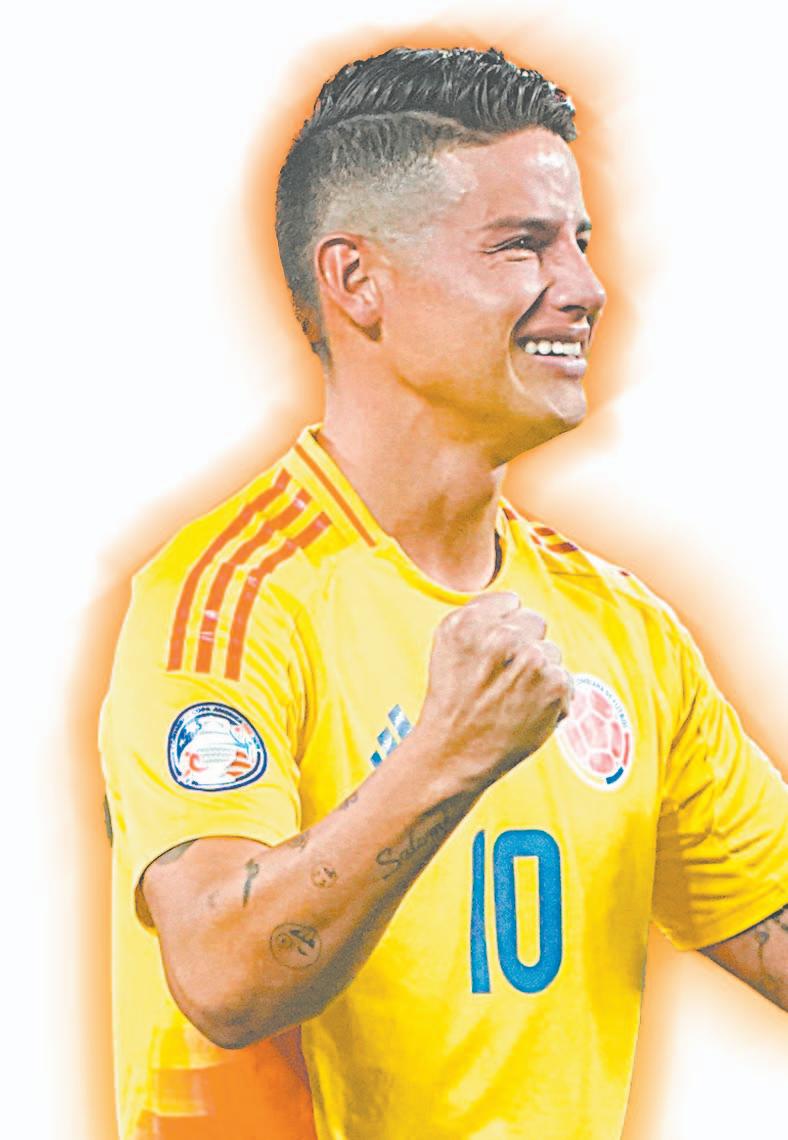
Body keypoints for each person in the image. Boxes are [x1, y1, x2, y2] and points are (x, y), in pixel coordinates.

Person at [100, 45, 788, 1140]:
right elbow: (223, 976)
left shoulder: (623, 630)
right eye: (521, 244)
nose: (584, 287)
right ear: (356, 282)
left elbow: (767, 924)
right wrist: (450, 751)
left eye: (578, 242)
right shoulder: (228, 601)